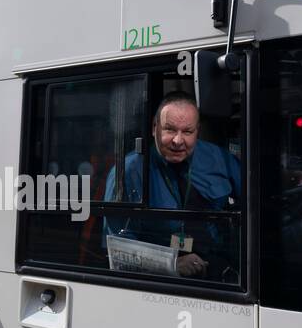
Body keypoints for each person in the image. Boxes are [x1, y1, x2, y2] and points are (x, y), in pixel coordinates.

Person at [103, 92, 241, 278]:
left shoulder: (220, 159)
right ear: (154, 128)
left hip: (220, 271)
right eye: (169, 130)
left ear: (197, 131)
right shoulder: (128, 171)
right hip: (162, 284)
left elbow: (251, 211)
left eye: (187, 132)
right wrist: (171, 264)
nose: (178, 141)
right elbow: (118, 248)